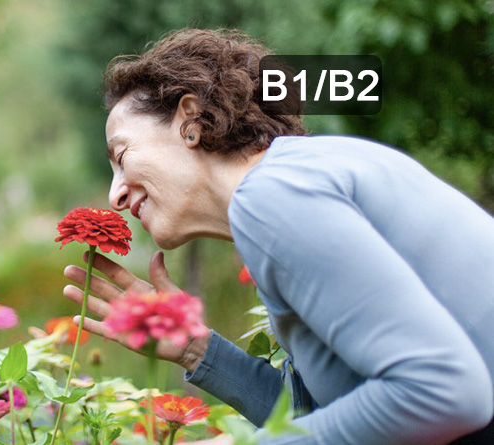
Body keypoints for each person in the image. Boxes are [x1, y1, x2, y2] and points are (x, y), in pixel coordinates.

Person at [62, 28, 494, 444]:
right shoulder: (293, 183)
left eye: (121, 156)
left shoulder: (272, 197)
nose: (114, 194)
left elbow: (445, 392)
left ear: (189, 121)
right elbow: (336, 422)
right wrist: (198, 350)